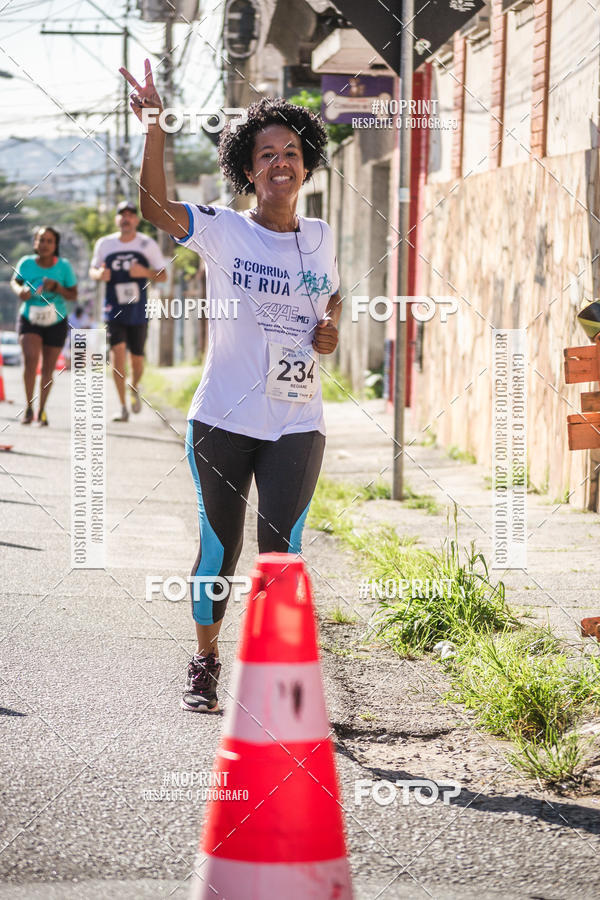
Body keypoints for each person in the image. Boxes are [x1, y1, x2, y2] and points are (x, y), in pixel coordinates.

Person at [121, 60, 342, 713]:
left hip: (297, 420)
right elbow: (155, 208)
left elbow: (331, 296)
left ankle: (275, 680)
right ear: (248, 169)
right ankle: (206, 660)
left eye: (291, 152)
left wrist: (329, 326)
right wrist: (155, 128)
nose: (280, 162)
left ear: (306, 166)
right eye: (266, 154)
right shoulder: (223, 229)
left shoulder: (322, 236)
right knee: (221, 549)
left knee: (282, 554)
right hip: (222, 418)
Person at [89, 201, 167, 422]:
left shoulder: (147, 244)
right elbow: (93, 269)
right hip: (113, 309)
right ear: (117, 219)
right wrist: (99, 275)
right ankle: (122, 406)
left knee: (137, 360)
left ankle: (134, 387)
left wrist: (145, 272)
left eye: (131, 215)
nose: (126, 219)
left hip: (138, 310)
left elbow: (163, 275)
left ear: (136, 220)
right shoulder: (105, 244)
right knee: (118, 356)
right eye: (122, 215)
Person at [10, 226, 78, 426]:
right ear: (35, 243)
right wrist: (20, 291)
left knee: (48, 368)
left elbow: (73, 294)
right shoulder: (26, 263)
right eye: (41, 240)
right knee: (31, 360)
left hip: (56, 320)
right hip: (29, 318)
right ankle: (29, 407)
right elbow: (15, 282)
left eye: (49, 241)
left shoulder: (64, 267)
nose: (45, 244)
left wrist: (57, 287)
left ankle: (42, 410)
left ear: (55, 245)